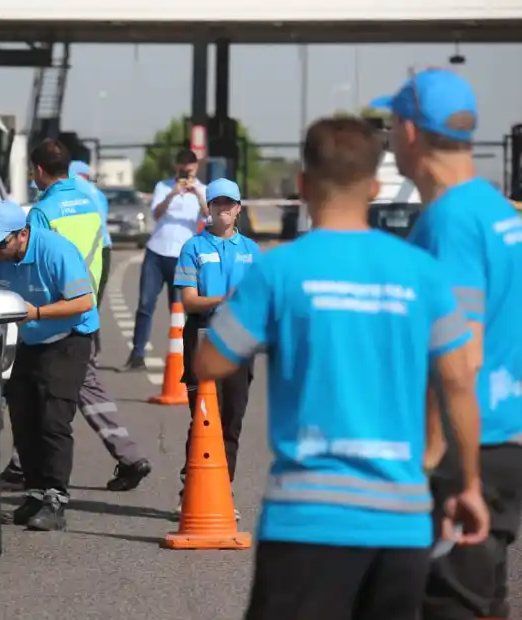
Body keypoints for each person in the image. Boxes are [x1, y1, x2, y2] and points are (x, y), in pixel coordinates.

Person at [194, 117, 489, 620]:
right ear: (375, 187)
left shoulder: (280, 268)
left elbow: (211, 359)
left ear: (303, 185)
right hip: (401, 520)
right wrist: (468, 486)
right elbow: (459, 381)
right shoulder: (421, 272)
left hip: (306, 519)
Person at [372, 68, 522, 620]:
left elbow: (459, 357)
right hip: (500, 439)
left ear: (410, 131)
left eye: (391, 123)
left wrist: (430, 462)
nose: (388, 136)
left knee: (446, 605)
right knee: (481, 603)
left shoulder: (451, 221)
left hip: (465, 452)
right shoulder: (495, 209)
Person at [2, 140, 152, 492]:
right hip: (84, 308)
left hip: (55, 317)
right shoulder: (90, 203)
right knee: (78, 389)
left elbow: (36, 266)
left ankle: (30, 469)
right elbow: (105, 253)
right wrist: (91, 301)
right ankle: (127, 457)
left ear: (38, 171)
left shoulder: (42, 213)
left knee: (41, 398)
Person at [0, 199, 98, 531]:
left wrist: (38, 313)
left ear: (22, 235)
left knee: (52, 419)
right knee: (23, 417)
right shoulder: (1, 259)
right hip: (30, 339)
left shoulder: (56, 251)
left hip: (69, 337)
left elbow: (83, 302)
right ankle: (36, 492)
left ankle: (56, 499)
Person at [173, 178, 260, 519]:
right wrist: (224, 300)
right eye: (217, 203)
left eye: (230, 203)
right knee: (205, 419)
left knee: (232, 419)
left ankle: (222, 490)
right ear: (208, 208)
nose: (223, 210)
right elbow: (189, 301)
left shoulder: (251, 250)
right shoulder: (193, 248)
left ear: (239, 208)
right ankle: (191, 487)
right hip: (203, 338)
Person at [123, 148, 207, 371]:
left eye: (188, 171)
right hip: (157, 252)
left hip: (183, 257)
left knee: (180, 308)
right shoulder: (163, 186)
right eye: (181, 171)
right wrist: (173, 194)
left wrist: (197, 194)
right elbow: (156, 214)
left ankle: (185, 357)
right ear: (175, 168)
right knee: (145, 305)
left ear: (195, 168)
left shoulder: (203, 190)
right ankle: (137, 354)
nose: (184, 176)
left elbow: (209, 216)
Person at [68, 160, 113, 356]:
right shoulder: (97, 194)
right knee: (93, 301)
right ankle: (94, 345)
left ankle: (87, 346)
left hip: (80, 248)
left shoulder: (71, 189)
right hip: (102, 248)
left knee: (74, 299)